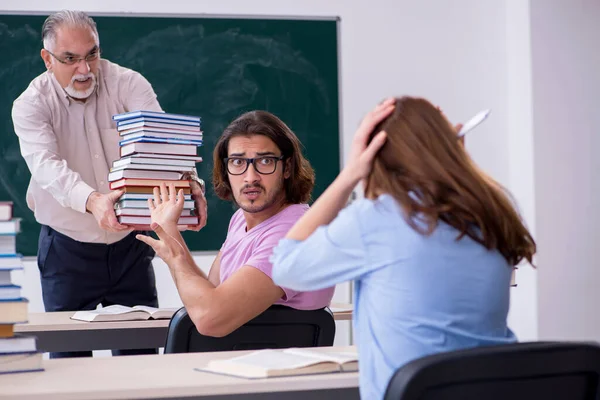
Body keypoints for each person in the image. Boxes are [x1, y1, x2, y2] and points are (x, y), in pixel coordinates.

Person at [270, 97, 537, 399]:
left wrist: (349, 176)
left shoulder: (377, 218)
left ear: (372, 157)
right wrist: (455, 162)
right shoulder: (495, 211)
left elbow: (285, 268)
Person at [11, 10, 206, 358]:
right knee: (69, 363)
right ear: (47, 59)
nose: (85, 70)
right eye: (70, 59)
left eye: (92, 55)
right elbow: (46, 167)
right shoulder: (31, 104)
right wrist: (92, 200)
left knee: (141, 357)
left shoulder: (128, 83)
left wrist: (190, 184)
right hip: (66, 253)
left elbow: (161, 142)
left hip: (130, 246)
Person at [136, 111, 334, 337]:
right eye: (238, 162)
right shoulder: (241, 219)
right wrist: (170, 233)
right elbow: (209, 292)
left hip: (268, 366)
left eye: (265, 161)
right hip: (234, 362)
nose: (250, 177)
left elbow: (210, 318)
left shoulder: (296, 234)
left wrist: (173, 254)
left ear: (287, 168)